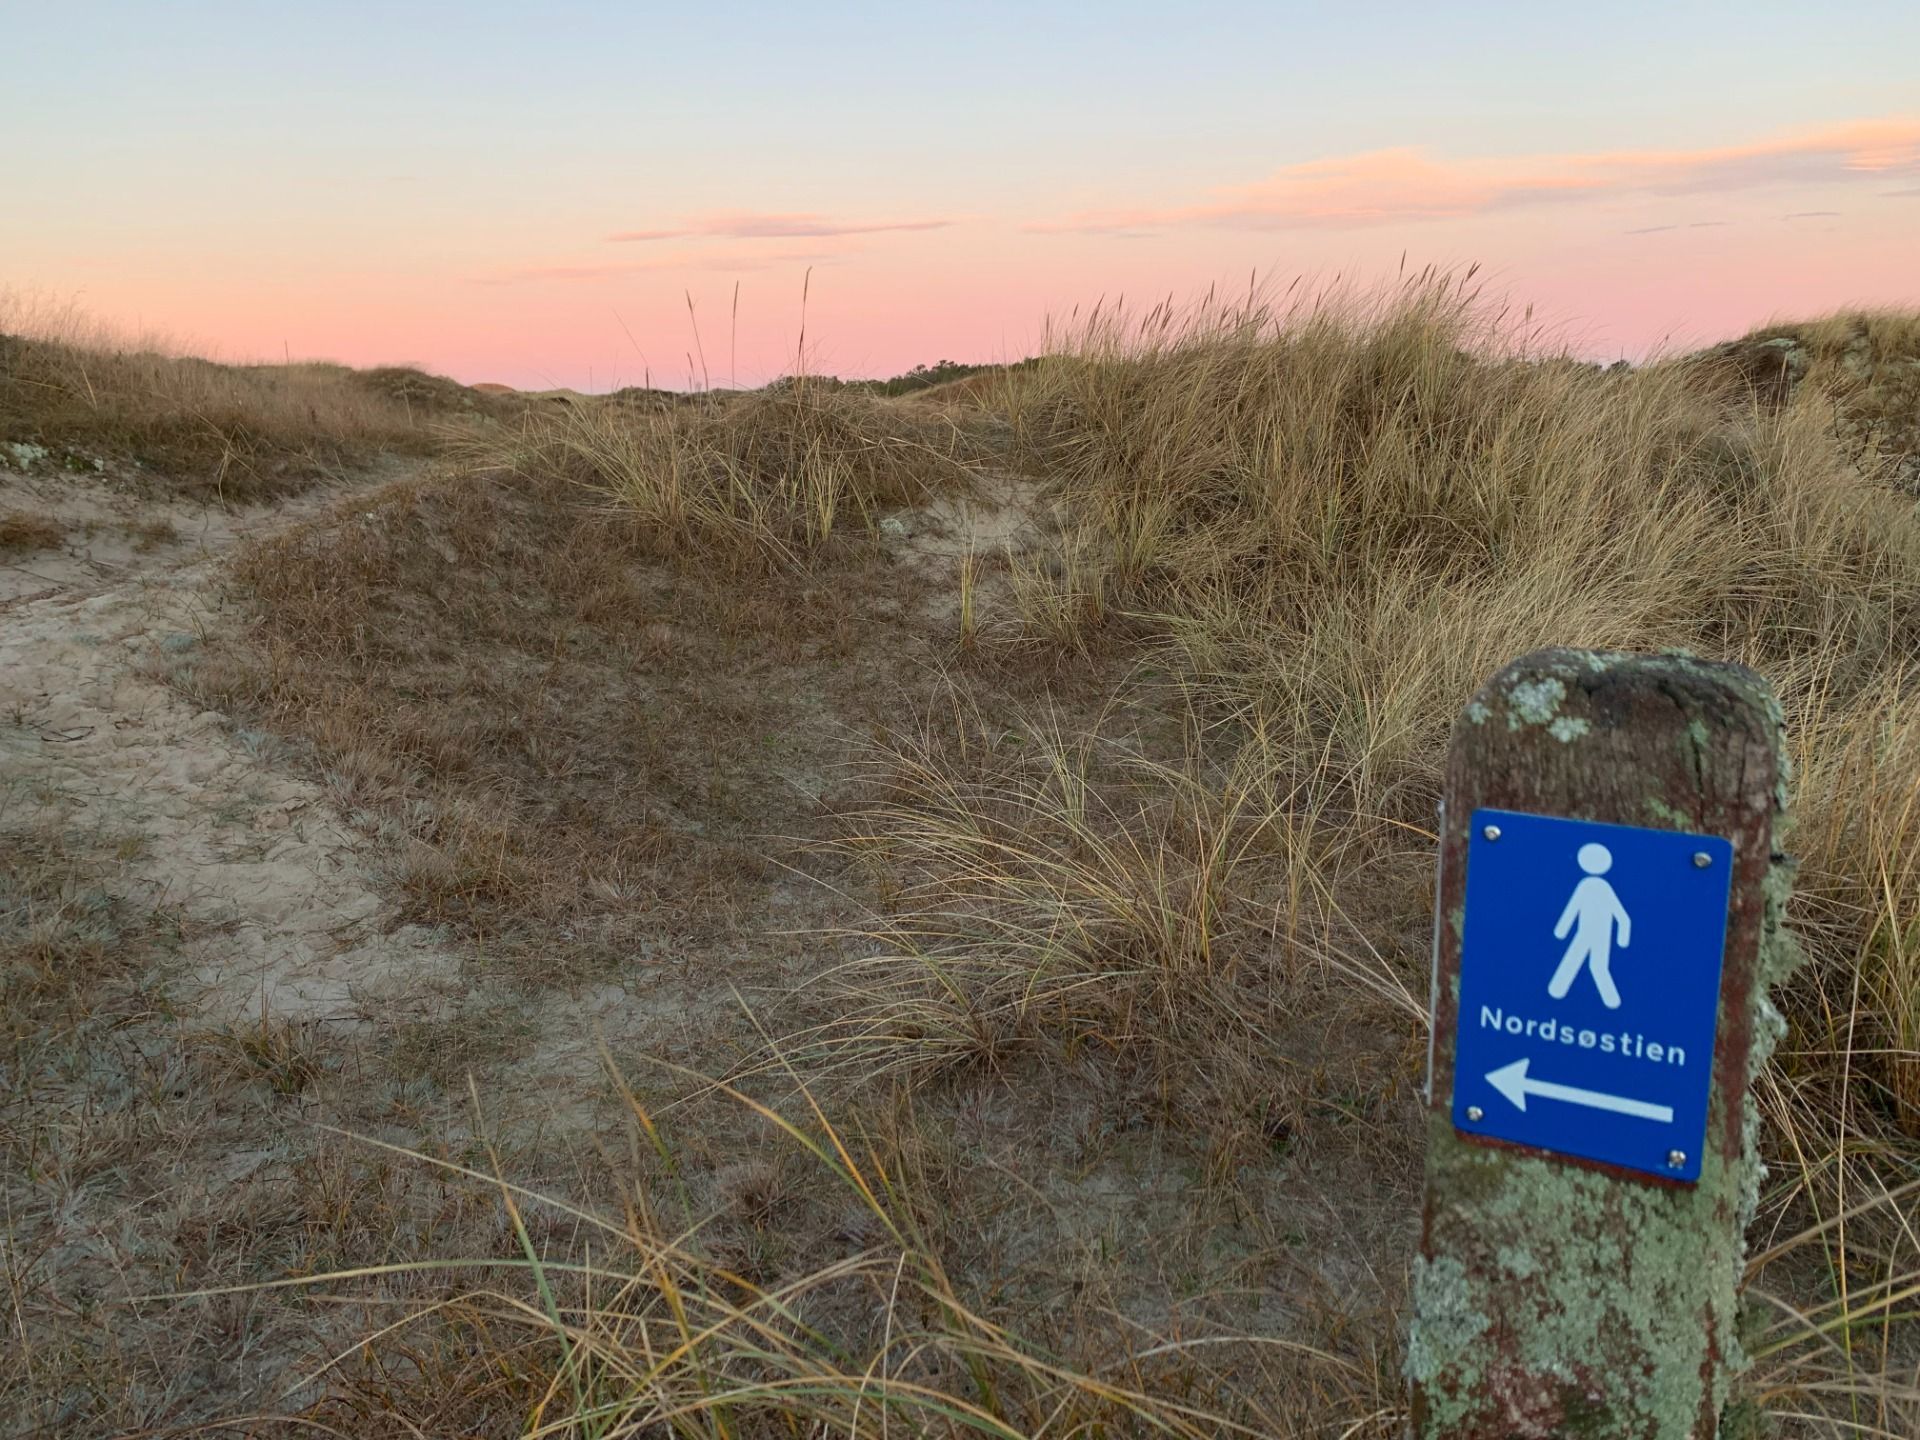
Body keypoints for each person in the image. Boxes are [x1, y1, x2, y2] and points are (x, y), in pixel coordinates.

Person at [1547, 842, 1631, 1009]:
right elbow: (1573, 909)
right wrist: (1561, 930)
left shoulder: (1596, 887)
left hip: (1596, 935)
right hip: (1587, 933)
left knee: (1594, 965)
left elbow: (1622, 916)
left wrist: (1561, 931)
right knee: (1584, 963)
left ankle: (1611, 1001)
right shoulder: (1590, 886)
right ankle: (1556, 991)